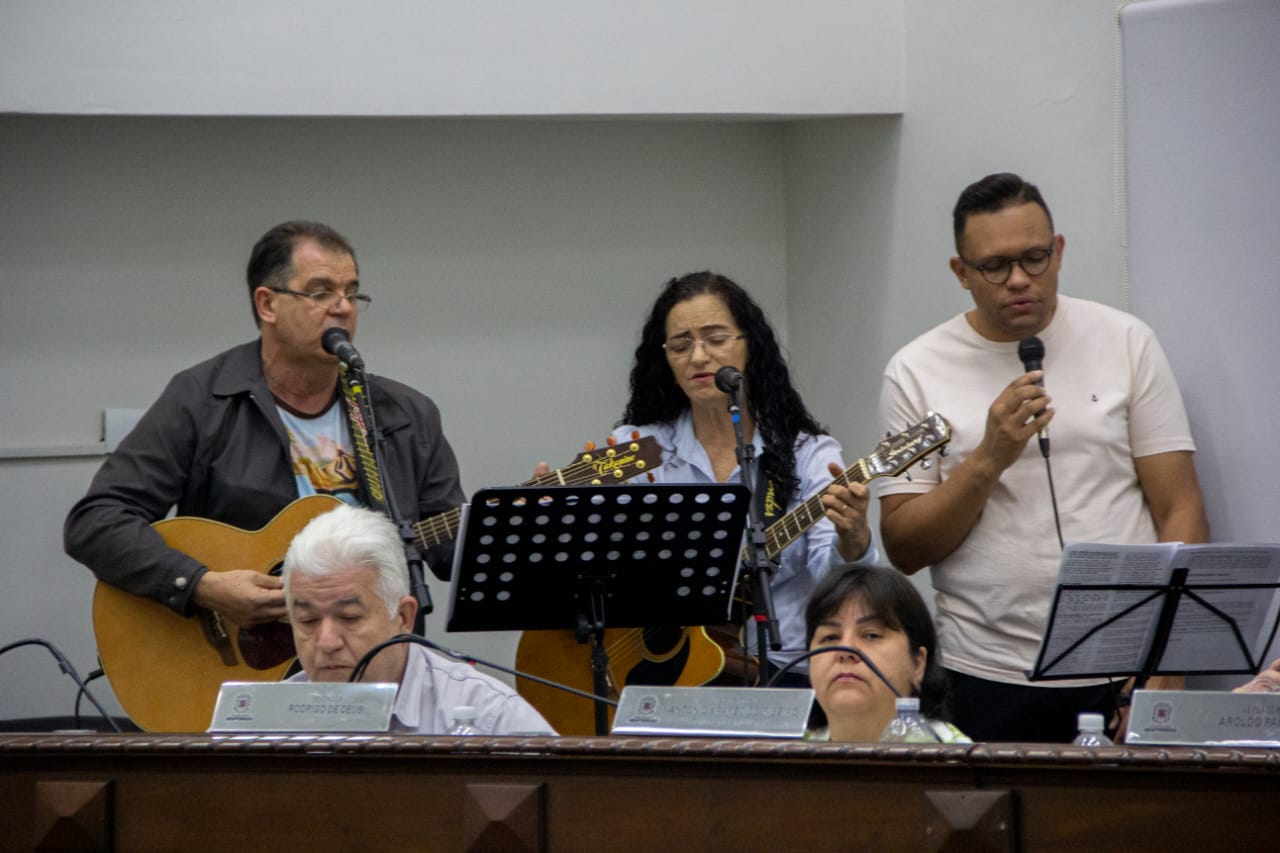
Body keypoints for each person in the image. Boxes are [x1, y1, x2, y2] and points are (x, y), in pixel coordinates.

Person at [877, 173, 1209, 742]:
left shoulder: (1127, 341)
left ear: (1058, 250)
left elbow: (1180, 508)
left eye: (1035, 258)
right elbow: (904, 546)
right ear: (961, 272)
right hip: (984, 673)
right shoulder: (912, 371)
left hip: (1126, 666)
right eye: (994, 266)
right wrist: (988, 459)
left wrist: (1166, 660)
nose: (1019, 280)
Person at [65, 221, 464, 624]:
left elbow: (449, 548)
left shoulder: (405, 413)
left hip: (379, 643)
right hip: (246, 648)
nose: (343, 307)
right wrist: (200, 585)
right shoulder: (203, 400)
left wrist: (500, 525)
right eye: (321, 292)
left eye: (351, 293)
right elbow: (96, 521)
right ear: (267, 304)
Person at [611, 271, 879, 682]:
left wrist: (853, 539)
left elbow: (836, 590)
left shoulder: (808, 454)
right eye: (681, 345)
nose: (698, 357)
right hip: (665, 672)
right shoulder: (637, 449)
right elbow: (601, 567)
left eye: (716, 339)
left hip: (787, 669)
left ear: (750, 345)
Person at [283, 503, 555, 735]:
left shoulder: (489, 715)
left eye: (349, 617)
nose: (327, 642)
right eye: (307, 620)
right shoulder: (268, 718)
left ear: (404, 617)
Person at [804, 564, 968, 743]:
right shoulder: (787, 753)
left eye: (871, 635)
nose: (845, 650)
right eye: (830, 637)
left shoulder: (957, 756)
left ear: (917, 664)